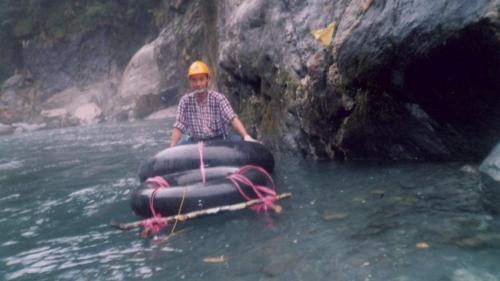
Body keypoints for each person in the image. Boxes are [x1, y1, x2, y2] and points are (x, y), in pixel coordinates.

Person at [170, 60, 257, 147]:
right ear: (190, 82)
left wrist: (246, 136)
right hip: (195, 141)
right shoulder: (185, 101)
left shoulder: (218, 98)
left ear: (208, 80)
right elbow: (179, 125)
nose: (198, 84)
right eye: (194, 80)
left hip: (219, 139)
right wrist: (172, 147)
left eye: (201, 79)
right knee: (179, 145)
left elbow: (231, 118)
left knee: (242, 142)